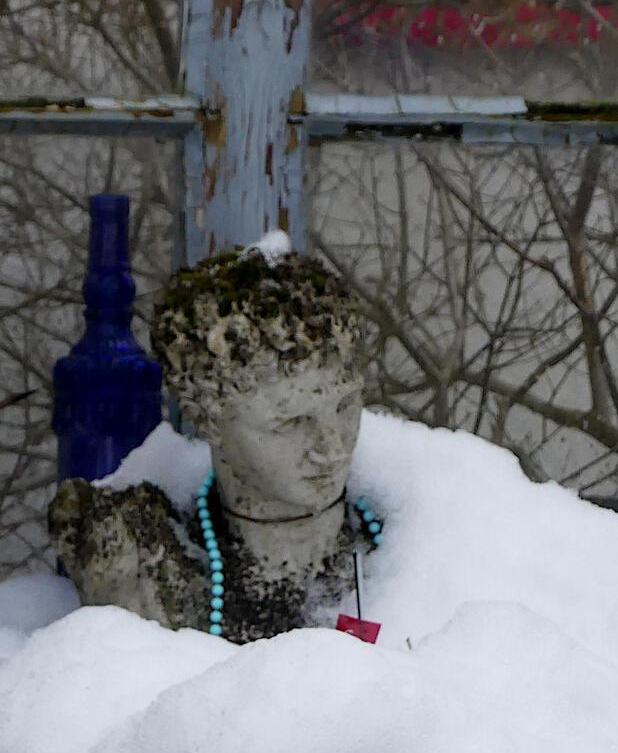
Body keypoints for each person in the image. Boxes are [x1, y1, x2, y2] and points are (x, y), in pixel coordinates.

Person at [49, 245, 377, 643]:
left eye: (344, 407)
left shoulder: (417, 548)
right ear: (206, 418)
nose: (333, 448)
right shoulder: (144, 560)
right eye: (290, 423)